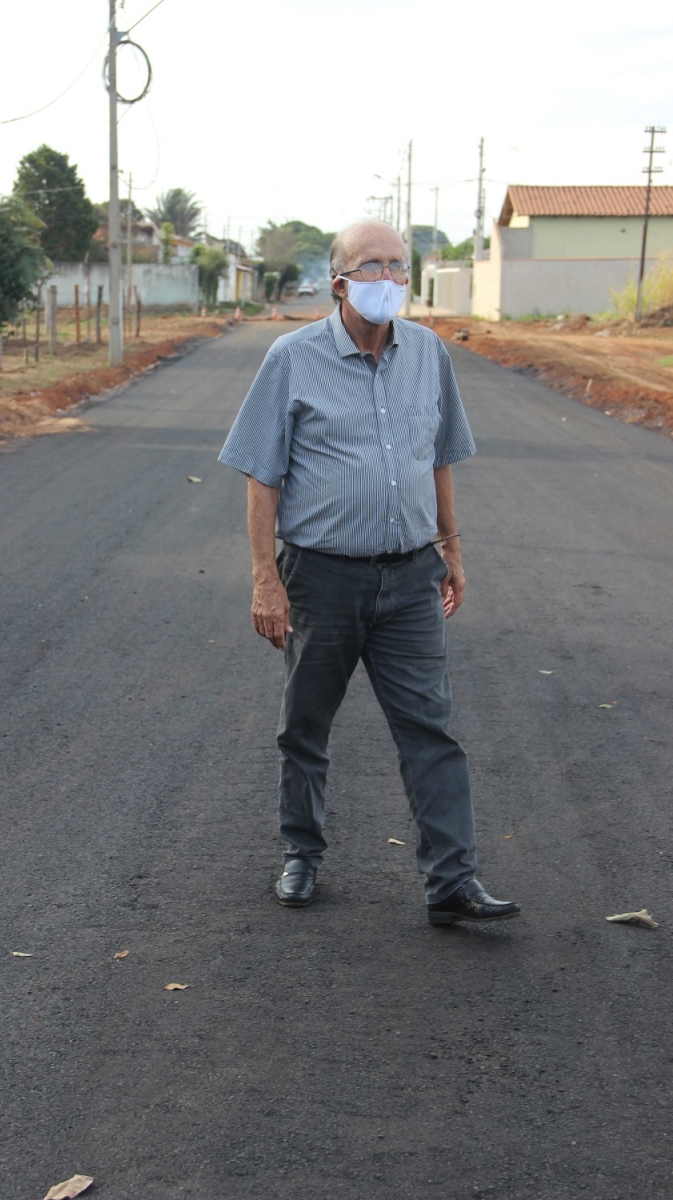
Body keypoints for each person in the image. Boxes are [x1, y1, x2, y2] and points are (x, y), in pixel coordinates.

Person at [218, 220, 520, 926]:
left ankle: (453, 880)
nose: (387, 278)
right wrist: (267, 579)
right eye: (370, 266)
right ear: (340, 280)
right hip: (322, 578)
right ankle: (302, 854)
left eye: (397, 265)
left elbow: (440, 455)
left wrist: (452, 548)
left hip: (412, 576)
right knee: (307, 724)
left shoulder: (428, 354)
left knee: (430, 730)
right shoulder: (291, 359)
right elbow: (262, 478)